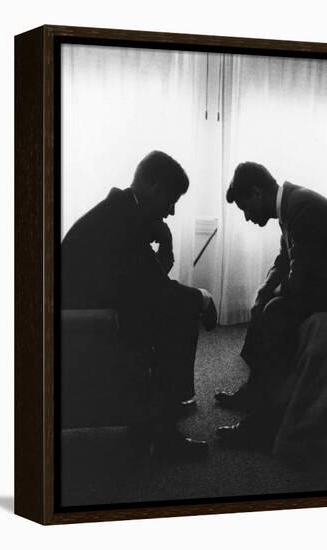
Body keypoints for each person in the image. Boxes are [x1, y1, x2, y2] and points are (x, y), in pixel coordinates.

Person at [61, 150, 217, 459]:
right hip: (87, 324)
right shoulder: (124, 223)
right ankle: (162, 435)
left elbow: (142, 284)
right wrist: (204, 298)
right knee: (183, 311)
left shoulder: (120, 211)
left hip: (96, 310)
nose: (171, 212)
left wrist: (164, 247)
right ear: (152, 186)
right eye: (171, 200)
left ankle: (160, 415)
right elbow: (156, 290)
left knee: (176, 307)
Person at [215, 162, 327, 447]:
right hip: (326, 282)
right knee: (265, 302)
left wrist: (274, 295)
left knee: (275, 312)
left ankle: (261, 427)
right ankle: (254, 391)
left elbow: (301, 279)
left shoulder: (302, 209)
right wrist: (266, 289)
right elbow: (285, 259)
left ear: (257, 194)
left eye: (245, 208)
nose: (246, 217)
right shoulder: (292, 204)